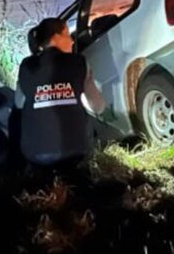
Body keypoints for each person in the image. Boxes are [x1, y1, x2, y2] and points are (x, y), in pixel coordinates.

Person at [15, 18, 114, 168]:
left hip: (35, 155)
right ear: (56, 38)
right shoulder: (79, 62)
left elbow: (18, 103)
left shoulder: (26, 66)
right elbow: (98, 107)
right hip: (75, 152)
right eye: (68, 34)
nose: (72, 41)